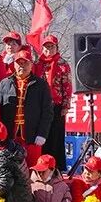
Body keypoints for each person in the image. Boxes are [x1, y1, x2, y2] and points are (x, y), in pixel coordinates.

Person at [0, 48, 54, 168]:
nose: (22, 66)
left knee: (32, 169)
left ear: (31, 64)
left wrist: (42, 134)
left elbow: (47, 112)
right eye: (19, 63)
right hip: (9, 136)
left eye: (25, 63)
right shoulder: (5, 83)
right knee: (8, 170)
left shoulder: (41, 85)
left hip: (32, 136)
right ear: (14, 64)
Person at [34, 35, 73, 170]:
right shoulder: (38, 64)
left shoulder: (62, 64)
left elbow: (67, 86)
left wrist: (65, 105)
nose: (48, 49)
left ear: (56, 48)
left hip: (56, 106)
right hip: (39, 106)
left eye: (51, 47)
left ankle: (56, 167)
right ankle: (41, 166)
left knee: (56, 136)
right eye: (46, 47)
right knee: (41, 135)